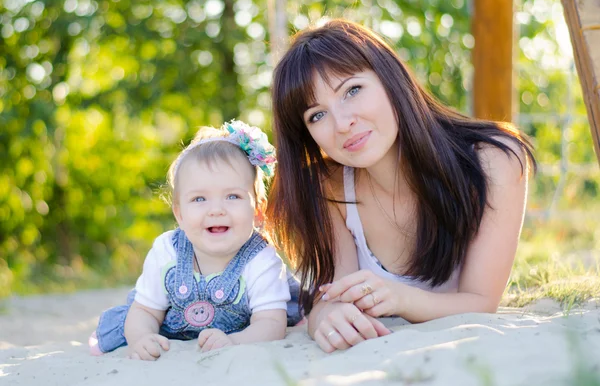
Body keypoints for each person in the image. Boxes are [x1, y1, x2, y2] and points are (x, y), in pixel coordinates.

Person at [266, 19, 536, 353]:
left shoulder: (494, 160)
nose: (342, 123)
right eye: (317, 115)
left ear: (390, 78)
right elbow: (335, 293)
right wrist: (325, 316)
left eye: (352, 90)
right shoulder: (330, 186)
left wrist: (397, 298)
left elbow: (482, 302)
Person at [90, 120, 295, 360]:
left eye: (232, 196)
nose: (216, 209)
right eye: (199, 199)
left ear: (258, 210)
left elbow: (271, 322)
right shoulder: (167, 251)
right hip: (170, 333)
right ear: (179, 213)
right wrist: (141, 338)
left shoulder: (261, 260)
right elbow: (145, 310)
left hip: (236, 334)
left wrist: (233, 341)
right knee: (130, 323)